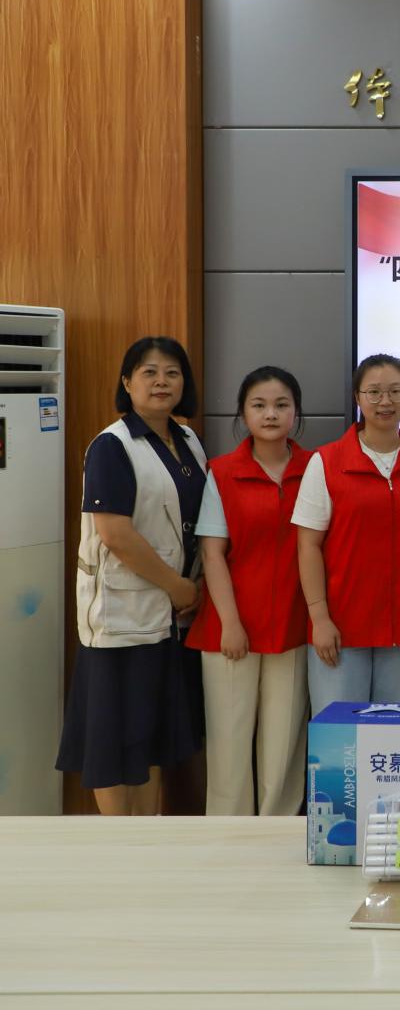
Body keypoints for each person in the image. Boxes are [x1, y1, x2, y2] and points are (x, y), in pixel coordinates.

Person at [56, 336, 207, 815]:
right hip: (121, 616)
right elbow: (115, 533)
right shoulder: (112, 445)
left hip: (170, 617)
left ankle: (147, 836)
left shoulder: (188, 441)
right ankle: (118, 840)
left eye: (172, 373)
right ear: (127, 382)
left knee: (149, 736)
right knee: (113, 739)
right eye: (149, 372)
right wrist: (176, 585)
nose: (162, 382)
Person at [186, 366, 312, 815]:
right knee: (229, 745)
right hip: (229, 629)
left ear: (296, 413)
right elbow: (212, 554)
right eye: (259, 405)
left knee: (285, 746)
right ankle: (227, 838)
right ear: (243, 413)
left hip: (294, 626)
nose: (270, 414)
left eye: (281, 405)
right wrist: (232, 624)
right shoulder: (221, 473)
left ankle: (277, 835)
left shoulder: (315, 470)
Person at [292, 354, 400, 714]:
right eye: (373, 392)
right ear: (357, 398)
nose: (385, 401)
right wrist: (319, 618)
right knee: (340, 735)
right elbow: (308, 545)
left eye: (395, 391)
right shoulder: (327, 461)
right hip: (342, 627)